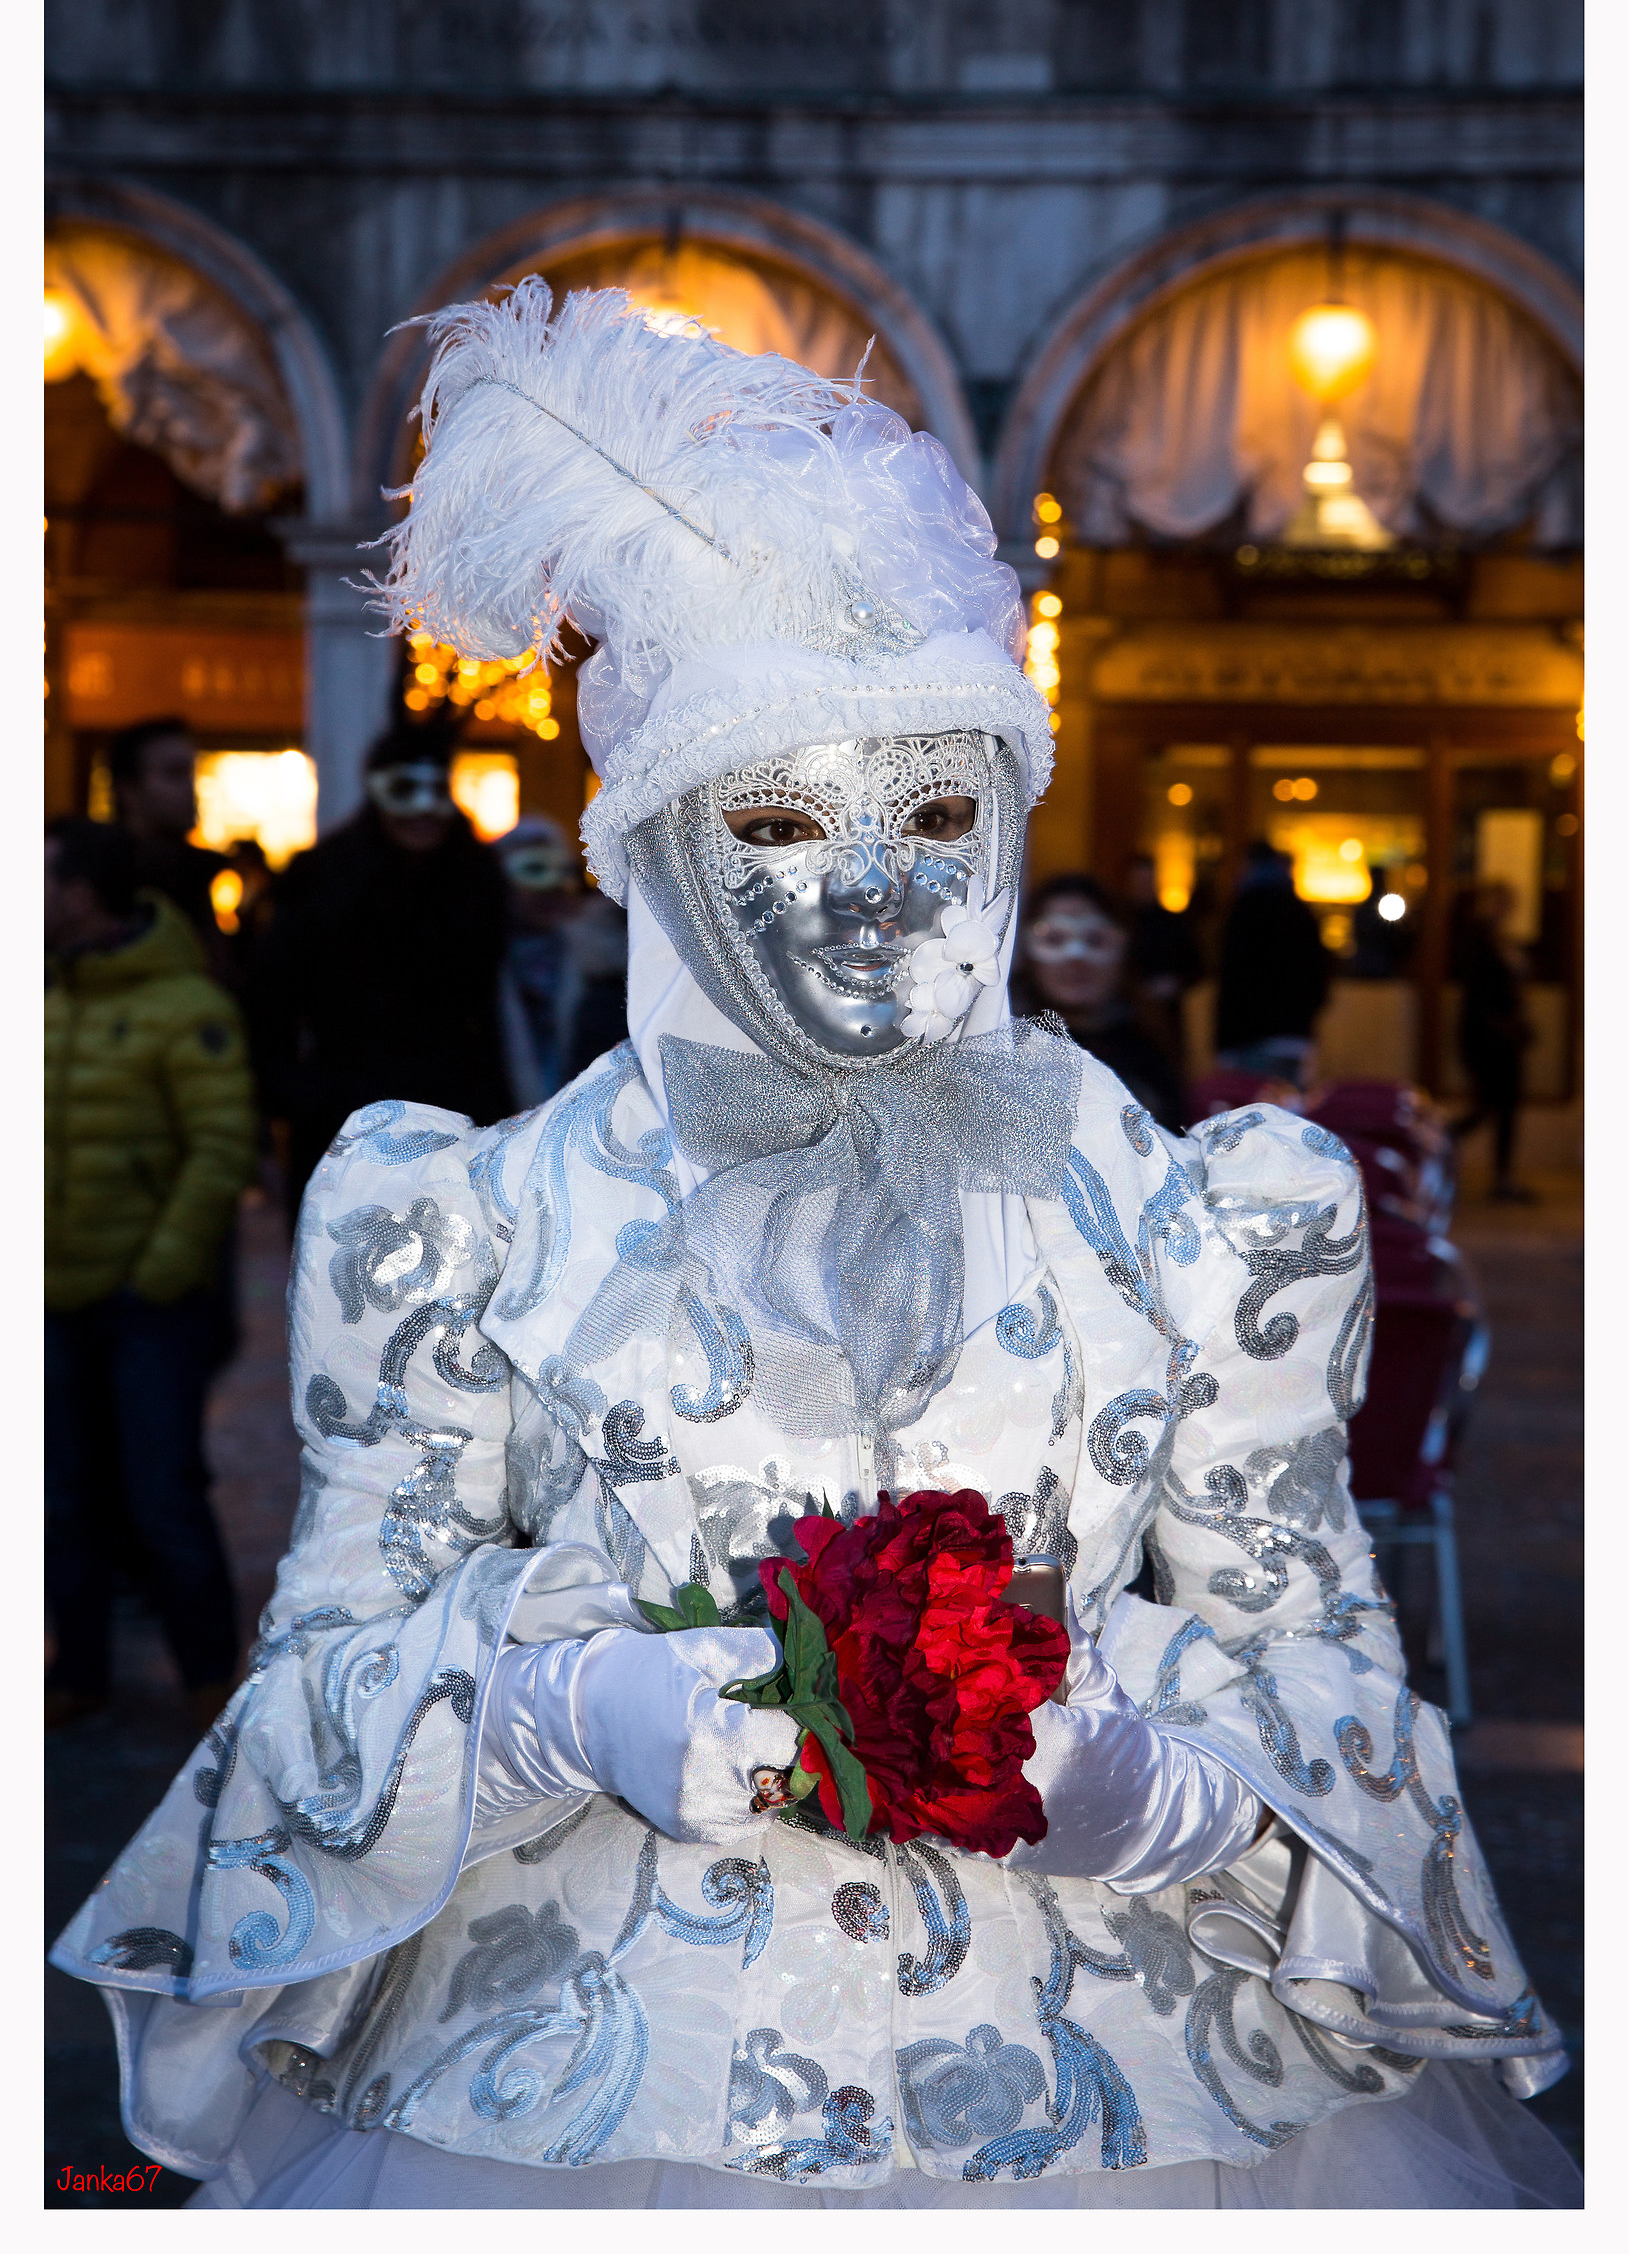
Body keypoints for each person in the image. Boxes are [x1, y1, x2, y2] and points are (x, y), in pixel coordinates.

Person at [55, 283, 1578, 2209]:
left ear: (1014, 821)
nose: (874, 891)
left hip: (1136, 2097)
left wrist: (1169, 1790)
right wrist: (548, 1715)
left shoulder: (1212, 1226)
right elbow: (302, 1720)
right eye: (776, 821)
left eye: (940, 807)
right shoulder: (457, 1221)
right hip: (571, 2096)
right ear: (660, 851)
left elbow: (1338, 1688)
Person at [44, 819, 256, 1731]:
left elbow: (220, 1147)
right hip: (51, 1297)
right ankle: (75, 1674)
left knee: (161, 1493)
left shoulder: (185, 1003)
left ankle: (211, 1682)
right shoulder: (45, 991)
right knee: (61, 1494)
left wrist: (161, 1272)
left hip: (144, 1303)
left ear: (82, 893)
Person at [249, 716, 512, 1215]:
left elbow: (495, 1005)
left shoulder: (478, 880)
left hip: (456, 1119)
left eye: (435, 789)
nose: (422, 809)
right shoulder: (321, 879)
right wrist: (297, 1094)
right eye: (404, 788)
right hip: (345, 1122)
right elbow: (271, 1003)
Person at [1012, 872, 1184, 1133]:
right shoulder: (1000, 1047)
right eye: (1054, 939)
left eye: (1095, 939)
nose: (1075, 957)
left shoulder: (1151, 1047)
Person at [495, 815, 628, 1108]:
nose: (551, 887)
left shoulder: (613, 966)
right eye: (532, 870)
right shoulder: (474, 967)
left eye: (564, 871)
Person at [109, 715, 236, 977]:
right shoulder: (101, 883)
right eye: (174, 774)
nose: (191, 788)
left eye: (191, 772)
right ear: (128, 790)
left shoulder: (194, 874)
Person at [1213, 840, 1330, 1088]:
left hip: (1254, 1038)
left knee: (1257, 1116)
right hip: (1295, 1036)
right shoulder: (1300, 911)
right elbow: (1319, 974)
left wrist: (1225, 1044)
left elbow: (1235, 980)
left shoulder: (1245, 910)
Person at [1449, 881, 1535, 1203]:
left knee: (1501, 1106)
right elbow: (1482, 994)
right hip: (1489, 1038)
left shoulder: (1497, 940)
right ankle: (1442, 1141)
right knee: (1491, 1105)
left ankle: (1501, 1176)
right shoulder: (1479, 940)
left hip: (1499, 1037)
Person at [1121, 852, 1203, 1062]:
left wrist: (1174, 983)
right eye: (1138, 880)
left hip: (1166, 1019)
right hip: (1126, 1015)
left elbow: (1197, 967)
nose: (1143, 886)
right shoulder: (1119, 921)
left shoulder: (1174, 923)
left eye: (1147, 880)